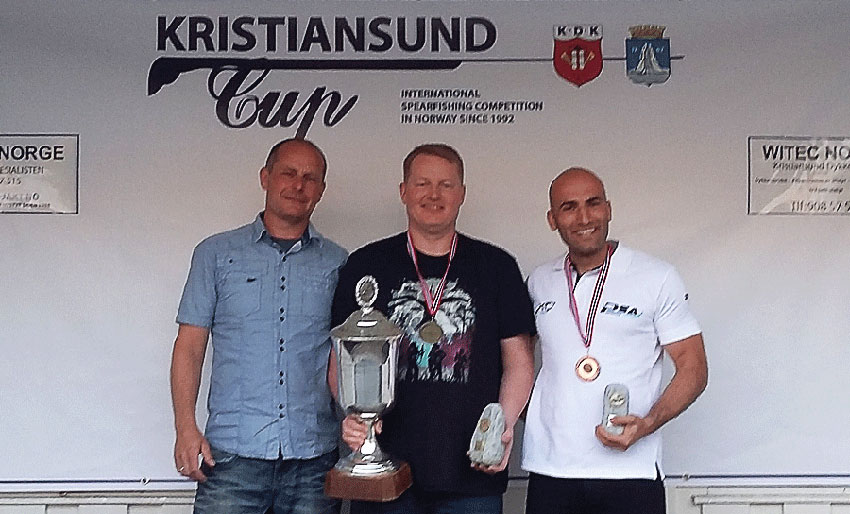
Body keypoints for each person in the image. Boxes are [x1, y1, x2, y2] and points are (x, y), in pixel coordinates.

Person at [329, 143, 535, 513]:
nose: (434, 194)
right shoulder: (365, 265)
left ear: (462, 194)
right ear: (403, 191)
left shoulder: (497, 266)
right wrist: (355, 415)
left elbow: (519, 362)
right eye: (422, 183)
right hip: (384, 471)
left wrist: (502, 427)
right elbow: (340, 361)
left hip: (472, 473)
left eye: (446, 184)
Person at [170, 138, 347, 514]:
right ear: (265, 177)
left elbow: (344, 358)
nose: (298, 185)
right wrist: (185, 427)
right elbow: (189, 346)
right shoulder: (215, 254)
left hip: (314, 461)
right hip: (232, 457)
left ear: (321, 190)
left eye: (310, 178)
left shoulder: (338, 263)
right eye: (288, 173)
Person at [522, 167, 708, 514]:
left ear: (608, 209)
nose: (584, 217)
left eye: (593, 203)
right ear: (552, 219)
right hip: (552, 470)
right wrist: (528, 416)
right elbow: (514, 363)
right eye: (569, 207)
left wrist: (648, 423)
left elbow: (693, 368)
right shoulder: (539, 281)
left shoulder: (656, 277)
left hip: (630, 471)